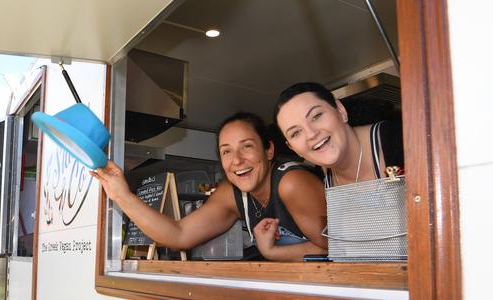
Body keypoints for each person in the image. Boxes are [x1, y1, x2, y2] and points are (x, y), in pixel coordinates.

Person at [91, 112, 327, 261]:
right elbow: (179, 235)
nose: (236, 160)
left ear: (269, 150)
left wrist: (273, 253)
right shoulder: (234, 193)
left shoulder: (292, 183)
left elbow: (341, 249)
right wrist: (121, 195)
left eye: (246, 146)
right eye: (226, 151)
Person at [273, 82, 403, 187]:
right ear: (293, 148)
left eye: (316, 116)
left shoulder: (401, 141)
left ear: (340, 111)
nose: (311, 134)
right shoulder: (321, 177)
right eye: (295, 133)